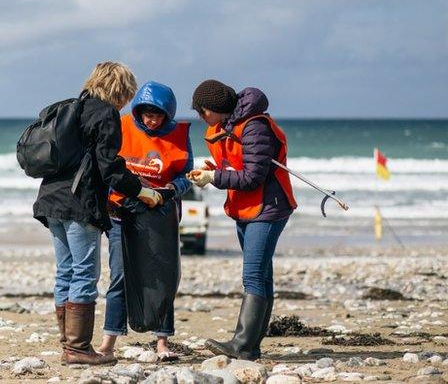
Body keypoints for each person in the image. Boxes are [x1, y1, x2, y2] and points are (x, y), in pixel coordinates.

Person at [32, 62, 164, 365]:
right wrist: (142, 191)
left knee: (65, 271)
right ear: (121, 89)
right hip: (79, 204)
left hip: (51, 199)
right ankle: (78, 349)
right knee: (84, 273)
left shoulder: (72, 108)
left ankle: (69, 345)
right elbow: (109, 166)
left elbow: (85, 163)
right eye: (128, 94)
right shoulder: (105, 114)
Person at [187, 80, 297, 361]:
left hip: (268, 207)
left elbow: (252, 177)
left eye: (202, 112)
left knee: (253, 276)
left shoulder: (254, 126)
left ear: (214, 108)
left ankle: (242, 344)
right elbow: (232, 164)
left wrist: (215, 179)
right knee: (262, 275)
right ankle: (252, 346)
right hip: (245, 208)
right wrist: (209, 172)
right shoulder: (225, 126)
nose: (201, 118)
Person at [96, 81, 192, 362]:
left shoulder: (178, 135)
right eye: (147, 114)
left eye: (158, 115)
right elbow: (106, 166)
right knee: (120, 275)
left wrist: (171, 190)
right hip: (120, 213)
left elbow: (187, 176)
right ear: (138, 112)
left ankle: (162, 343)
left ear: (167, 115)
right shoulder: (122, 125)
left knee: (162, 276)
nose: (151, 120)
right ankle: (108, 342)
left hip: (160, 215)